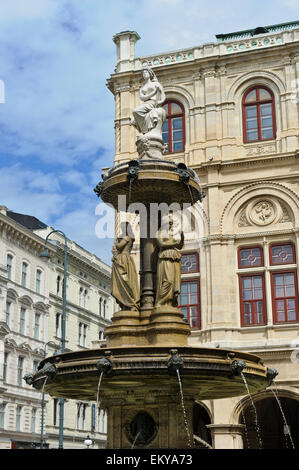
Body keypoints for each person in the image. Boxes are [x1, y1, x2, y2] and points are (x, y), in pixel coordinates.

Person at [155, 214, 184, 309]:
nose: (171, 225)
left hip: (174, 258)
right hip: (165, 257)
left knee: (174, 282)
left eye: (171, 223)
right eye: (169, 223)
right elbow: (161, 244)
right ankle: (160, 302)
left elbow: (179, 246)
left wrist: (182, 237)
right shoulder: (159, 232)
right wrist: (174, 243)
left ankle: (170, 302)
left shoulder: (170, 233)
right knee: (168, 281)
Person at [111, 223, 139, 311]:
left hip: (123, 260)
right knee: (123, 281)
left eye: (122, 228)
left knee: (125, 280)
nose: (121, 230)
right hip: (123, 259)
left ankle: (131, 302)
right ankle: (125, 302)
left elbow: (119, 246)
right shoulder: (127, 237)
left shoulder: (127, 237)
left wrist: (116, 241)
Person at [131, 67, 166, 135]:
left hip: (152, 102)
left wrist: (159, 102)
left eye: (146, 72)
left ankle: (144, 129)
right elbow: (142, 98)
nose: (144, 74)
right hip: (146, 103)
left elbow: (163, 95)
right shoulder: (142, 88)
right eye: (143, 73)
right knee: (135, 112)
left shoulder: (156, 84)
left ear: (150, 74)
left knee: (135, 111)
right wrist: (153, 93)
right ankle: (144, 129)